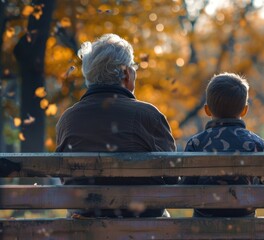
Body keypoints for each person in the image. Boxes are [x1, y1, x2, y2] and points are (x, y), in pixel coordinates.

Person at [56, 33, 176, 218]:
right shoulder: (148, 115)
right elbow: (172, 176)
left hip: (86, 224)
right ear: (127, 73)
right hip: (142, 224)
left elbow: (64, 177)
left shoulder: (68, 119)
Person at [181, 72, 264, 218]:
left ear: (207, 110)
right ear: (245, 110)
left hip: (203, 225)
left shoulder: (196, 143)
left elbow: (185, 188)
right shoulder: (256, 144)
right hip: (245, 224)